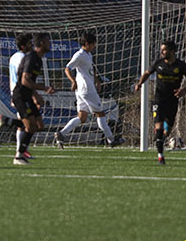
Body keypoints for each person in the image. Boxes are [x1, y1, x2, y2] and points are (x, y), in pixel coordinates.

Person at [54, 32, 122, 148]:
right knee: (100, 114)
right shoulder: (79, 55)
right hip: (87, 90)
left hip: (82, 90)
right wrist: (73, 81)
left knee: (82, 117)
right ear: (86, 44)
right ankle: (111, 140)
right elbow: (67, 69)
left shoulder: (88, 54)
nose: (94, 46)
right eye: (93, 44)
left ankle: (61, 133)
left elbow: (90, 70)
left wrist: (97, 80)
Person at [134, 40, 186, 165]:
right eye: (161, 49)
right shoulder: (158, 63)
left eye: (164, 50)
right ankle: (160, 157)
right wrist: (140, 83)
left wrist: (183, 90)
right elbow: (146, 73)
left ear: (172, 51)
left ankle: (162, 141)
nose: (162, 52)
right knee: (159, 128)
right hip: (159, 100)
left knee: (167, 130)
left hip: (172, 101)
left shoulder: (181, 66)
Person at [11, 33, 55, 165]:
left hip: (27, 95)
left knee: (39, 126)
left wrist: (36, 96)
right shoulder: (31, 58)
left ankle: (6, 121)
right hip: (20, 95)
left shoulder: (38, 59)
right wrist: (44, 88)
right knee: (30, 127)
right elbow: (24, 80)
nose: (50, 44)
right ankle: (19, 156)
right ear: (41, 43)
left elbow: (29, 82)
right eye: (48, 41)